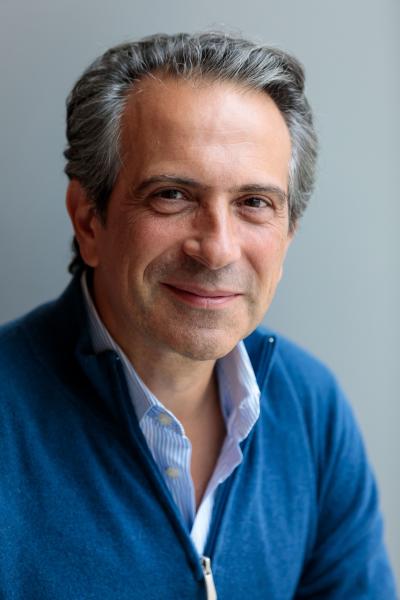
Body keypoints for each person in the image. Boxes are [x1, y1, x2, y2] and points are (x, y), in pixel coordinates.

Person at [0, 32, 397, 599]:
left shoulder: (311, 409)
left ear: (288, 235)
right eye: (172, 195)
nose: (217, 249)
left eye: (254, 203)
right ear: (89, 221)